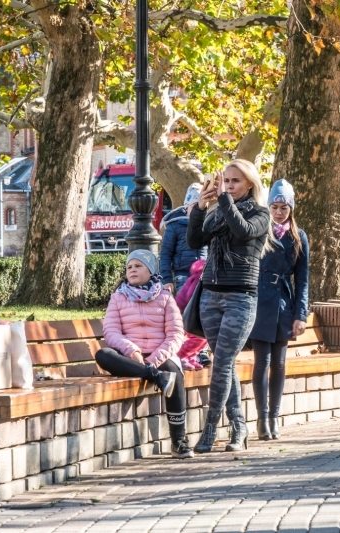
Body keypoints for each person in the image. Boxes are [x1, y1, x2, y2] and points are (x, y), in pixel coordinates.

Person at [186, 159, 271, 453]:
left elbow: (243, 231)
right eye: (227, 181)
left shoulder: (261, 214)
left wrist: (223, 199)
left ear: (249, 184)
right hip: (210, 293)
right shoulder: (216, 213)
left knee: (221, 362)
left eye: (236, 182)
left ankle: (210, 428)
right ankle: (238, 427)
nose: (230, 186)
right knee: (224, 362)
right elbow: (193, 239)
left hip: (240, 296)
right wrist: (199, 208)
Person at [93, 250, 193, 459]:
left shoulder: (165, 297)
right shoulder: (118, 297)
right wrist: (132, 351)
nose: (132, 270)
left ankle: (179, 441)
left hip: (161, 355)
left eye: (138, 266)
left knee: (173, 375)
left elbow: (175, 334)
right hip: (131, 358)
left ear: (150, 270)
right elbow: (111, 332)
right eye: (129, 267)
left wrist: (154, 359)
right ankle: (155, 376)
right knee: (103, 354)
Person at [248, 180, 309, 441]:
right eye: (275, 206)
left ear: (291, 208)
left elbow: (303, 279)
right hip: (261, 302)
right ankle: (262, 419)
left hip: (284, 303)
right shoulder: (261, 231)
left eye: (284, 207)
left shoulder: (299, 236)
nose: (279, 212)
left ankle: (274, 416)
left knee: (280, 363)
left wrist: (301, 314)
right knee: (262, 361)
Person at [160, 183, 209, 370]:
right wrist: (167, 279)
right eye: (194, 206)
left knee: (204, 313)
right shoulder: (175, 227)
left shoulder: (207, 225)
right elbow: (165, 254)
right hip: (182, 276)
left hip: (203, 276)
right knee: (186, 315)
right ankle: (183, 351)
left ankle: (200, 351)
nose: (197, 210)